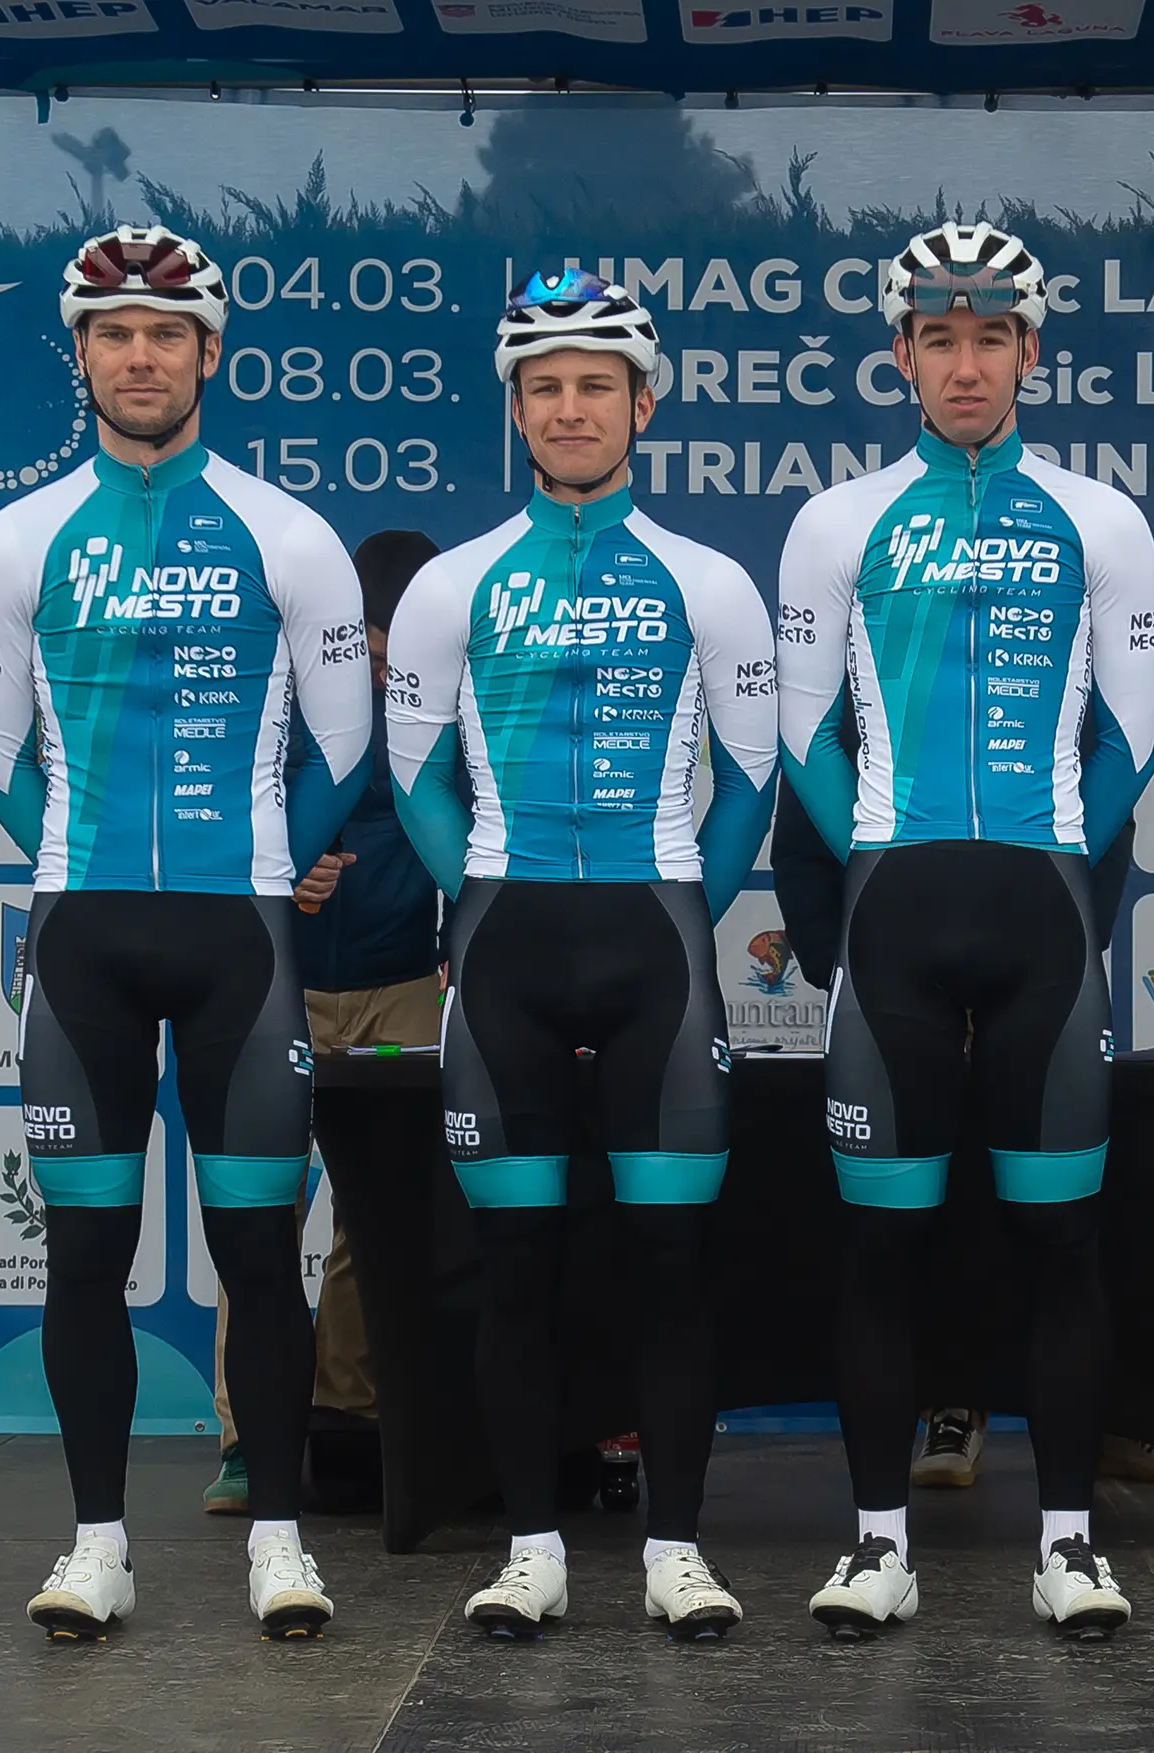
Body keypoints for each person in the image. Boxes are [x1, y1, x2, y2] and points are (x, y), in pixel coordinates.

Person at [0, 225, 375, 1640]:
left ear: (209, 354)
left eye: (167, 334)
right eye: (115, 334)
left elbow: (343, 748)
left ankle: (280, 1539)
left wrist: (258, 858)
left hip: (238, 942)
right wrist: (73, 858)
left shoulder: (288, 535)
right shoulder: (14, 539)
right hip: (83, 940)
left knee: (259, 1256)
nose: (141, 357)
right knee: (86, 1254)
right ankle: (96, 1545)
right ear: (80, 354)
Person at [774, 222, 1154, 1641]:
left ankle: (1070, 1545)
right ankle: (878, 1543)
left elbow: (1132, 744)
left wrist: (1054, 849)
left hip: (1044, 922)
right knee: (882, 1252)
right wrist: (881, 850)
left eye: (990, 338)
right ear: (900, 354)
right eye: (938, 339)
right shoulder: (838, 523)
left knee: (1062, 1247)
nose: (965, 364)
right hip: (894, 918)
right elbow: (804, 739)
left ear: (1030, 352)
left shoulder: (1104, 521)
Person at [385, 270, 778, 1642]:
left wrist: (679, 904)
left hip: (655, 943)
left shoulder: (709, 583)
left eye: (595, 385)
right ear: (517, 410)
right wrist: (482, 894)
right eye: (544, 387)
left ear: (642, 405)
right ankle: (531, 1549)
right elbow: (416, 776)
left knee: (671, 1266)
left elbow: (749, 780)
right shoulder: (451, 586)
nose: (569, 408)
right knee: (516, 1268)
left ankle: (677, 1549)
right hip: (504, 947)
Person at [203, 529, 445, 1519]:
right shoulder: (281, 692)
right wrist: (282, 871)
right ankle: (244, 1439)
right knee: (259, 1207)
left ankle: (349, 1417)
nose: (382, 677)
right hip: (281, 984)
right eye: (370, 655)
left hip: (402, 984)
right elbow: (218, 819)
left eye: (397, 658)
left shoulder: (456, 699)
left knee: (372, 1216)